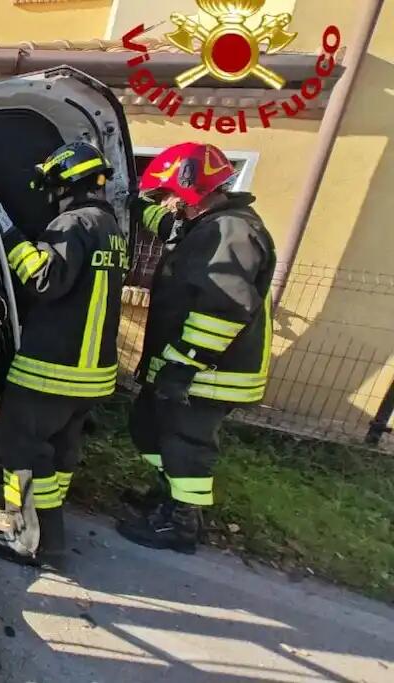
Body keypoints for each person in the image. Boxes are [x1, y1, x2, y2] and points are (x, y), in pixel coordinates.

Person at [117, 142, 276, 554]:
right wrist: (130, 200)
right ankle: (168, 498)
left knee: (186, 442)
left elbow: (223, 306)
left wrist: (185, 365)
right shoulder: (208, 225)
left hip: (208, 373)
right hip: (189, 365)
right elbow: (165, 225)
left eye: (167, 193)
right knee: (149, 427)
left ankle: (182, 524)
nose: (165, 203)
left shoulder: (229, 231)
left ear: (189, 190)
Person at [0, 141, 127, 569]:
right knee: (59, 456)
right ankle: (53, 535)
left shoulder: (72, 223)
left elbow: (43, 278)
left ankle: (27, 540)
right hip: (91, 377)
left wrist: (8, 233)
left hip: (51, 371)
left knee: (21, 454)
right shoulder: (110, 227)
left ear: (64, 181)